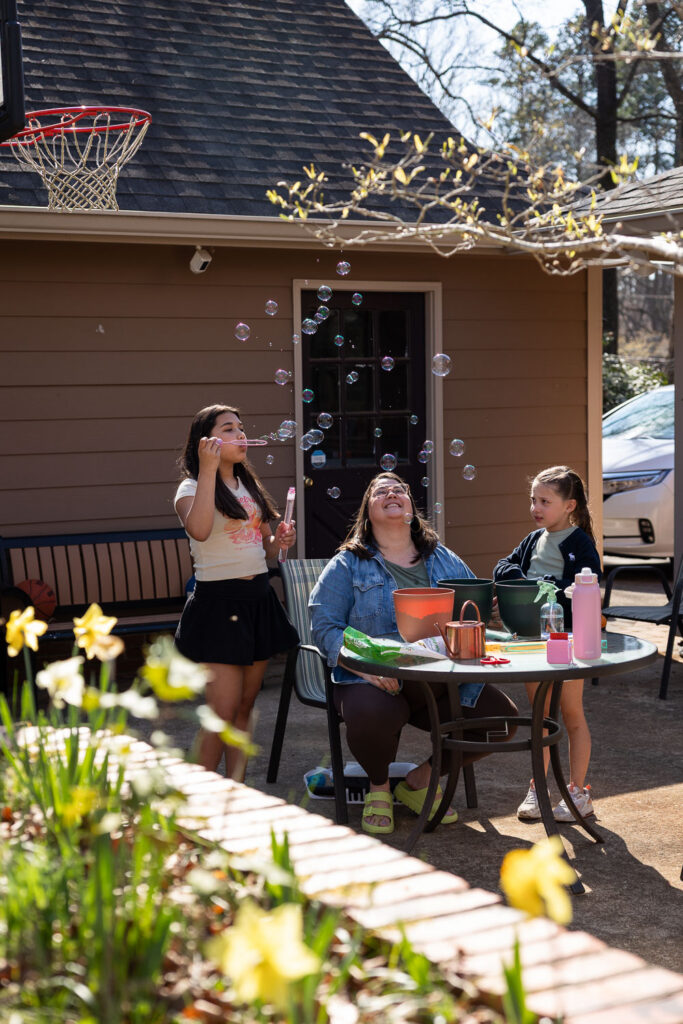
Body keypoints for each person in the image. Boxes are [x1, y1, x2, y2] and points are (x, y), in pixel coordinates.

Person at [310, 471, 519, 836]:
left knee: (502, 720)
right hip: (377, 678)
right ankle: (379, 787)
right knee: (370, 712)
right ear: (367, 511)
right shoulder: (347, 564)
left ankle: (419, 781)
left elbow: (470, 613)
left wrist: (490, 611)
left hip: (436, 681)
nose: (392, 492)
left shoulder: (442, 558)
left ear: (410, 505)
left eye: (399, 489)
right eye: (380, 490)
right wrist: (364, 667)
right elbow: (324, 627)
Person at [174, 404, 298, 778]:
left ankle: (238, 790)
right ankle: (202, 802)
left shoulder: (248, 486)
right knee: (221, 714)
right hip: (219, 606)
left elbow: (267, 550)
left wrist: (280, 540)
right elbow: (198, 529)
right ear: (205, 442)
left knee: (244, 708)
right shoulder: (191, 487)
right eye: (229, 429)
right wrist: (208, 468)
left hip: (258, 601)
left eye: (242, 428)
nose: (241, 435)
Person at [493, 464, 602, 822]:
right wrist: (523, 580)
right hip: (531, 641)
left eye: (545, 501)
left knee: (570, 714)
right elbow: (503, 566)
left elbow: (585, 586)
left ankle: (577, 792)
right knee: (540, 715)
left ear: (569, 506)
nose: (536, 507)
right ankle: (537, 787)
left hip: (567, 641)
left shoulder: (579, 542)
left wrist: (543, 588)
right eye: (533, 499)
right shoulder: (532, 540)